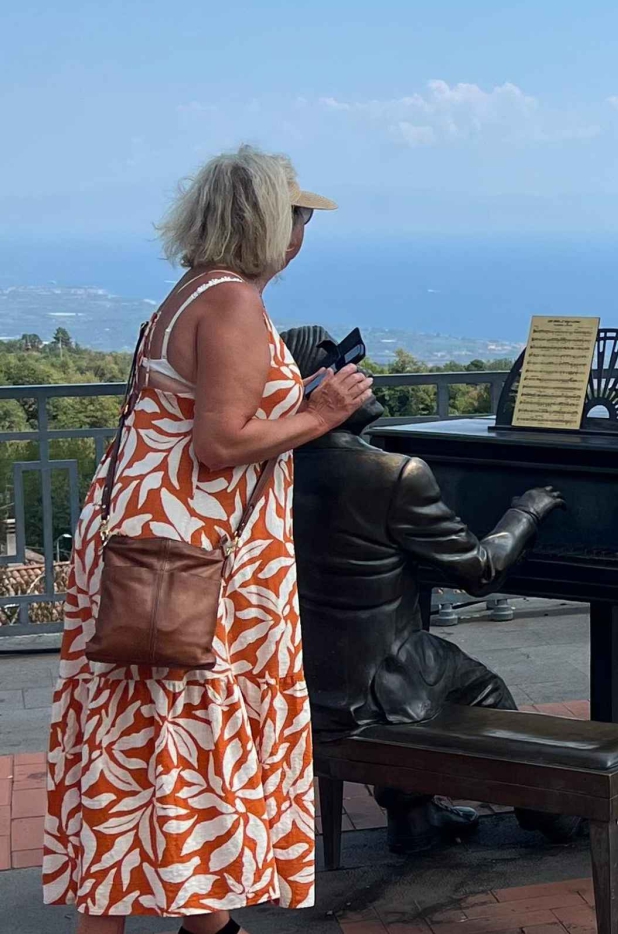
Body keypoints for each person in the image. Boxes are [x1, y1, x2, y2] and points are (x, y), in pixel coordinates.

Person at [42, 147, 372, 934]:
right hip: (192, 562)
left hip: (154, 548)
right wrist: (321, 413)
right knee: (170, 734)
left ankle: (208, 923)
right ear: (271, 225)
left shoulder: (192, 292)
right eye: (298, 217)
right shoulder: (231, 304)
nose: (302, 234)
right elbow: (220, 442)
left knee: (147, 736)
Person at [281, 325, 579, 852]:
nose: (362, 375)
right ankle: (546, 809)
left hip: (306, 674)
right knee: (481, 688)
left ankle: (414, 819)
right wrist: (526, 511)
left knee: (432, 662)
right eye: (344, 365)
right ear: (316, 390)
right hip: (379, 682)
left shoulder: (272, 468)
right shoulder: (393, 473)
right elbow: (480, 571)